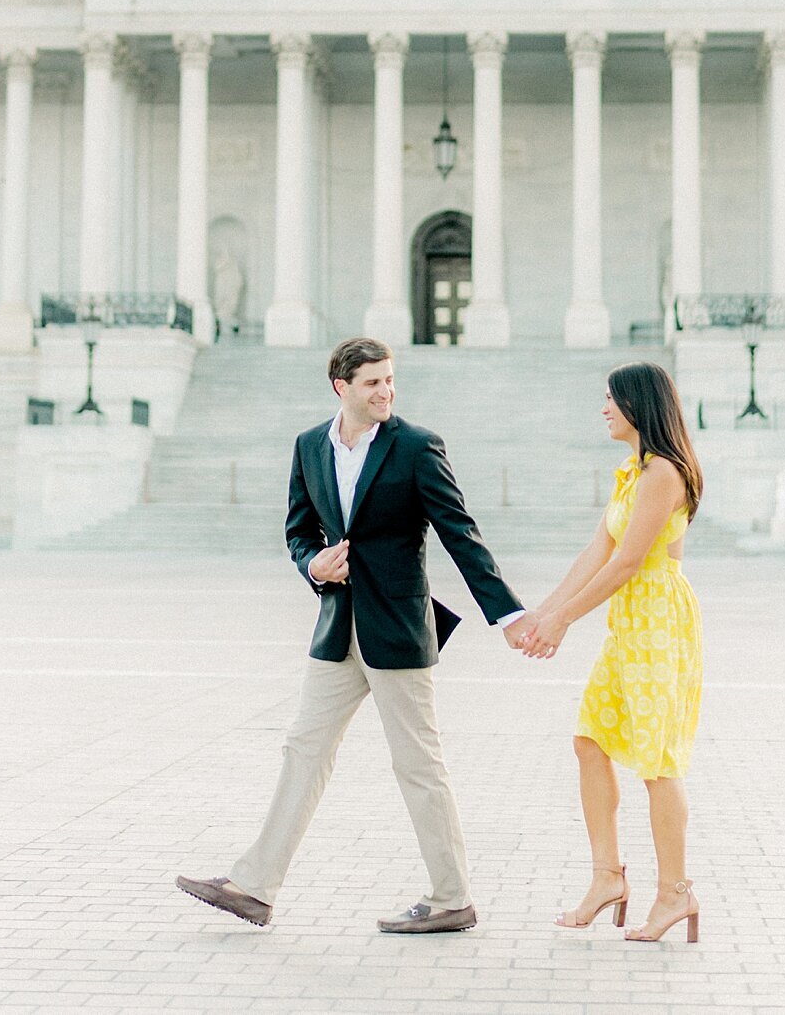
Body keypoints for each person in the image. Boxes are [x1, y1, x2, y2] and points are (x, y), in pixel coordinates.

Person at [177, 336, 531, 934]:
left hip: (396, 633)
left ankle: (453, 898)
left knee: (418, 765)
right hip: (337, 630)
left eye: (390, 380)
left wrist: (508, 614)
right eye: (372, 383)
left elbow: (459, 533)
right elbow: (297, 528)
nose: (386, 391)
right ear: (341, 387)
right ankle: (254, 887)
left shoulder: (417, 447)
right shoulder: (310, 445)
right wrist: (313, 563)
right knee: (303, 752)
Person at [520, 362, 703, 944]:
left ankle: (675, 892)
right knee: (590, 741)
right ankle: (608, 878)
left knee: (656, 761)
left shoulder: (664, 474)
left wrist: (565, 621)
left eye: (610, 399)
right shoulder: (632, 472)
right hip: (629, 624)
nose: (603, 408)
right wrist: (541, 615)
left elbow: (627, 563)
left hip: (657, 623)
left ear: (637, 405)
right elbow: (595, 552)